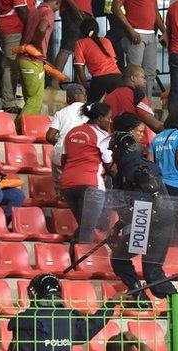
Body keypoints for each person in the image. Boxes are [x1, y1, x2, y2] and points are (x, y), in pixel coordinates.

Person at [108, 113, 178, 306]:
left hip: (146, 221)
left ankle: (140, 297)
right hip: (158, 221)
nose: (111, 154)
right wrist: (120, 224)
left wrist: (145, 182)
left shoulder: (130, 163)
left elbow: (145, 186)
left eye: (113, 151)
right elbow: (135, 198)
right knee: (152, 271)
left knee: (120, 259)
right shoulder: (135, 166)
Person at [8, 273, 122, 351]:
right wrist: (111, 304)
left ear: (32, 294)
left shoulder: (25, 320)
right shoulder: (70, 318)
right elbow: (94, 324)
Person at [60, 103, 113, 258]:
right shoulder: (102, 135)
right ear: (100, 118)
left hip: (68, 185)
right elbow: (110, 165)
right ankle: (83, 264)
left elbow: (64, 159)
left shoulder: (72, 132)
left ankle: (72, 259)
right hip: (91, 184)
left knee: (85, 226)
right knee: (87, 229)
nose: (110, 122)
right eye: (108, 118)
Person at [112, 0, 166, 98]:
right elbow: (115, 7)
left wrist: (164, 31)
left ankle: (146, 107)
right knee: (133, 74)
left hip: (150, 34)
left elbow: (155, 12)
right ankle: (132, 105)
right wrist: (130, 30)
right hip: (135, 33)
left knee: (149, 75)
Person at [17, 0, 60, 120]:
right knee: (35, 100)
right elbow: (41, 29)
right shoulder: (48, 12)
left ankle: (26, 129)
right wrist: (36, 47)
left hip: (24, 58)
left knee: (30, 100)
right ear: (57, 2)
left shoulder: (33, 11)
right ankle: (17, 128)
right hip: (32, 60)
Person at [104, 65, 164, 147]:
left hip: (116, 144)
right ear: (132, 78)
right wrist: (168, 133)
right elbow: (149, 120)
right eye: (142, 77)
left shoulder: (108, 97)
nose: (145, 81)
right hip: (137, 144)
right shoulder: (137, 94)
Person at [46, 84, 88, 192]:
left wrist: (61, 142)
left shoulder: (61, 112)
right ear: (85, 97)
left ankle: (59, 197)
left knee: (61, 188)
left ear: (68, 98)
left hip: (60, 154)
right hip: (82, 155)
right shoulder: (92, 111)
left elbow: (49, 136)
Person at [0, 0, 32, 113]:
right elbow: (22, 11)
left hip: (6, 27)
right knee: (10, 67)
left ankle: (6, 97)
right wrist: (31, 28)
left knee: (10, 66)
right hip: (13, 28)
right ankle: (8, 102)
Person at [74, 18, 123, 103]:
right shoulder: (106, 41)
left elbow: (79, 67)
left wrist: (86, 86)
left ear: (82, 30)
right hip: (117, 77)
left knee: (90, 109)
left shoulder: (80, 43)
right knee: (117, 106)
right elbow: (114, 61)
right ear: (97, 29)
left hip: (100, 79)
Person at [50, 0, 93, 90]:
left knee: (80, 49)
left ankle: (78, 82)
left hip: (82, 12)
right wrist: (77, 9)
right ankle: (55, 82)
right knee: (67, 47)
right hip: (74, 11)